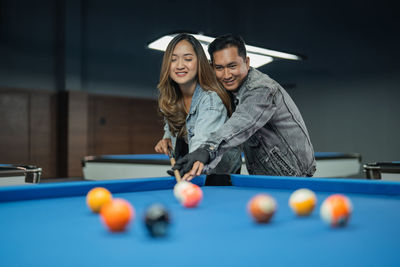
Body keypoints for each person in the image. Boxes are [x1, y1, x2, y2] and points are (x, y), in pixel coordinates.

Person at [173, 34, 316, 180]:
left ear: (246, 62)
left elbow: (241, 122)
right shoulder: (228, 91)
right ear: (212, 67)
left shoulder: (262, 89)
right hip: (265, 177)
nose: (227, 74)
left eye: (232, 66)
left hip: (293, 175)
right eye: (219, 68)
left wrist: (206, 150)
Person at [154, 33, 241, 176]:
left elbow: (201, 145)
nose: (180, 65)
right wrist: (167, 138)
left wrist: (188, 172)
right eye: (173, 60)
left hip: (219, 179)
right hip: (197, 174)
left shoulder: (211, 100)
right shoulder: (171, 98)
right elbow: (170, 126)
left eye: (188, 59)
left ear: (199, 63)